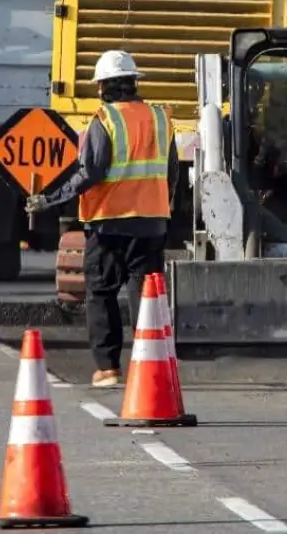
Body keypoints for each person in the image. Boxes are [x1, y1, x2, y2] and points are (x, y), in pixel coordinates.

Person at [25, 50, 178, 387]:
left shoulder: (105, 120)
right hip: (152, 223)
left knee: (101, 293)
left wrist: (48, 199)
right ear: (134, 83)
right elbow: (172, 174)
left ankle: (108, 368)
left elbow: (90, 172)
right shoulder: (161, 118)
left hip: (110, 224)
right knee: (147, 296)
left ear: (104, 87)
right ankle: (148, 366)